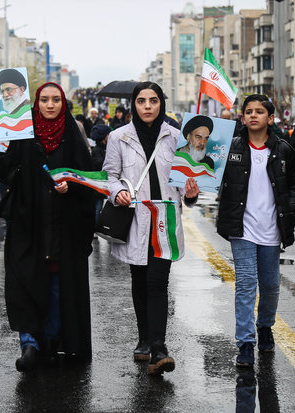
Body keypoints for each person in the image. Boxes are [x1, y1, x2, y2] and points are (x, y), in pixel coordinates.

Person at [0, 82, 95, 372]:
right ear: (36, 103)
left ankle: (52, 342)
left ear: (63, 103)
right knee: (24, 281)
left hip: (61, 227)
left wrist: (72, 187)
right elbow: (9, 170)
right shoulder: (23, 134)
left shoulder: (72, 136)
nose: (50, 105)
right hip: (29, 222)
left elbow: (88, 181)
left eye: (55, 100)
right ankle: (29, 343)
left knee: (55, 286)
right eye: (44, 100)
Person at [102, 81, 200, 376]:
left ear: (161, 104)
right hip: (134, 218)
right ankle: (143, 338)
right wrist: (116, 191)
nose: (147, 106)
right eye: (142, 101)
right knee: (139, 279)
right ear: (134, 105)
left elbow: (185, 180)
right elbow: (110, 175)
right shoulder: (118, 137)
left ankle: (159, 347)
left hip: (164, 219)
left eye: (153, 101)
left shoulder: (176, 137)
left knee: (158, 282)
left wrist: (192, 194)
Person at [216, 94, 295, 368]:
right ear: (242, 117)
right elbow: (208, 175)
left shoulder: (284, 150)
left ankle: (265, 326)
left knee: (271, 286)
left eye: (259, 111)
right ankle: (245, 343)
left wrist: (290, 206)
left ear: (270, 118)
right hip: (242, 229)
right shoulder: (231, 148)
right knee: (246, 286)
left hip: (272, 231)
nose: (254, 115)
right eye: (249, 111)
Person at [89, 124, 111, 224]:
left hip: (101, 185)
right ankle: (94, 228)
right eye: (108, 135)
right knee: (97, 209)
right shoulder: (97, 151)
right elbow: (101, 165)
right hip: (97, 185)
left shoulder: (103, 149)